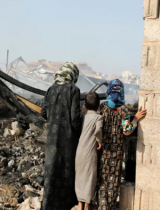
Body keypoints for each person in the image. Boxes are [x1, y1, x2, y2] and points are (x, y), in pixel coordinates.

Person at [97, 79, 147, 210]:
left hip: (104, 152)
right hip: (117, 153)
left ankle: (102, 206)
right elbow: (127, 131)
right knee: (113, 183)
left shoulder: (102, 108)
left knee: (102, 181)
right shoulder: (124, 110)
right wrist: (135, 118)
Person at [41, 62, 81, 210]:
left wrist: (53, 120)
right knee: (66, 171)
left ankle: (48, 204)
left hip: (52, 139)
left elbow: (43, 112)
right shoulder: (73, 90)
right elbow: (75, 118)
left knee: (51, 171)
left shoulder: (50, 89)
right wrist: (80, 133)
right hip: (68, 140)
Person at [75, 93, 103, 210]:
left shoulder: (83, 116)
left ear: (85, 105)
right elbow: (98, 130)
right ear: (98, 106)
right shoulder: (98, 117)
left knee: (79, 175)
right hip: (90, 151)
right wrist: (99, 141)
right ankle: (87, 205)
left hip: (79, 150)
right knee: (90, 176)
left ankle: (80, 203)